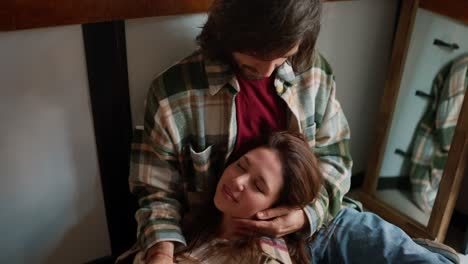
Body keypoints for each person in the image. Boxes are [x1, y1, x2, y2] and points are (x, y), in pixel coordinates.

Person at [122, 0, 460, 263]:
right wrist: (161, 253)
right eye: (253, 60)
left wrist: (304, 215)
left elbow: (334, 160)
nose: (269, 71)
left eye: (284, 56)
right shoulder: (172, 94)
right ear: (227, 33)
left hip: (319, 223)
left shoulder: (313, 73)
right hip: (225, 239)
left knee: (405, 253)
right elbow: (155, 191)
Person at [132, 132, 323, 263]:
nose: (238, 181)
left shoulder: (267, 257)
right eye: (241, 165)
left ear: (277, 208)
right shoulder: (187, 224)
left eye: (258, 186)